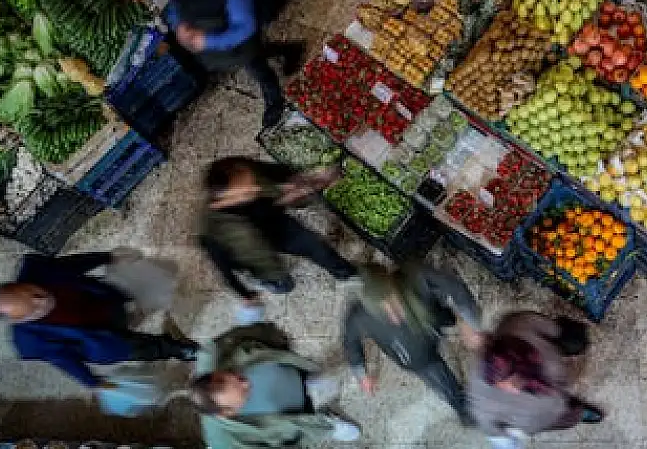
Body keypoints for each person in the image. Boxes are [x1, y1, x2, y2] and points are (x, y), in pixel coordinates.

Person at [0, 251, 198, 389]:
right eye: (34, 308)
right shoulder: (29, 342)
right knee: (143, 348)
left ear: (22, 284)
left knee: (129, 310)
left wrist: (107, 257)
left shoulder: (35, 268)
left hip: (104, 302)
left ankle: (134, 317)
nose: (41, 300)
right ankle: (179, 350)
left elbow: (71, 265)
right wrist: (92, 382)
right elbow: (63, 359)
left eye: (32, 292)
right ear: (22, 320)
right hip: (101, 343)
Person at [163, 0, 303, 128]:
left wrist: (208, 41)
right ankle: (289, 50)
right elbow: (175, 4)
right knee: (255, 55)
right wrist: (178, 24)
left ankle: (275, 101)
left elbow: (245, 28)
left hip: (239, 35)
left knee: (256, 66)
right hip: (214, 34)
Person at [198, 156, 357, 307]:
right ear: (224, 200)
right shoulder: (212, 232)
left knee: (316, 246)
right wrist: (245, 295)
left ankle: (347, 274)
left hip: (275, 226)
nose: (255, 188)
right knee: (284, 284)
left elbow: (276, 172)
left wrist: (304, 182)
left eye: (252, 182)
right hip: (253, 252)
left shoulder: (241, 168)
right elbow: (223, 268)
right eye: (245, 193)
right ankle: (273, 281)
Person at [343, 263, 483, 423]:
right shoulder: (358, 315)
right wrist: (362, 374)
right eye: (382, 311)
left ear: (393, 283)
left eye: (392, 300)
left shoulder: (415, 276)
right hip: (417, 357)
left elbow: (455, 287)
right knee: (442, 381)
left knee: (445, 316)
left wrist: (468, 322)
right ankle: (462, 408)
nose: (394, 316)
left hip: (433, 320)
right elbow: (350, 342)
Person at [189, 321, 361, 447]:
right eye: (243, 393)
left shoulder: (210, 359)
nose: (248, 384)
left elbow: (225, 341)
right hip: (297, 416)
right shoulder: (227, 442)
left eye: (238, 377)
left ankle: (309, 385)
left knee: (326, 382)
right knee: (313, 420)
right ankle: (326, 425)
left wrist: (270, 333)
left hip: (296, 377)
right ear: (227, 412)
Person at [469, 311, 603, 449]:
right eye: (505, 378)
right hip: (544, 416)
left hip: (549, 389)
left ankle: (570, 406)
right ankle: (577, 413)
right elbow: (497, 436)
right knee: (566, 416)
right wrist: (514, 437)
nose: (513, 385)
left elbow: (553, 328)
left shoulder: (519, 324)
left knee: (574, 342)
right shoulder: (483, 406)